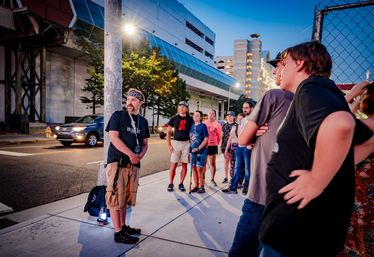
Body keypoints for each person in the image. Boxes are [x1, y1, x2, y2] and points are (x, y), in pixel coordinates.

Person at [258, 42, 373, 257]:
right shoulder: (324, 92)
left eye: (283, 63)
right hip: (307, 232)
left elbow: (341, 124)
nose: (277, 70)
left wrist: (316, 181)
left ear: (300, 63)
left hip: (295, 236)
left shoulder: (309, 89)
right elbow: (362, 138)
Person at [229, 52, 294, 257]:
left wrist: (251, 134)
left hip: (261, 195)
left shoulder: (273, 96)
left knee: (242, 251)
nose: (275, 70)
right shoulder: (306, 103)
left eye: (279, 65)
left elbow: (242, 139)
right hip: (287, 198)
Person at [105, 88, 150, 244]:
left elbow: (145, 144)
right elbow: (113, 138)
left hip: (134, 165)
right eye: (128, 99)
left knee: (125, 198)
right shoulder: (118, 116)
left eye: (134, 100)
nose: (129, 102)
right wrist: (131, 155)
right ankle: (118, 233)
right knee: (115, 197)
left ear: (141, 103)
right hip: (118, 163)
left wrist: (139, 156)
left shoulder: (143, 122)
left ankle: (123, 226)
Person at [339, 82, 374, 257]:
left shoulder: (369, 127)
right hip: (365, 194)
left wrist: (350, 96)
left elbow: (337, 123)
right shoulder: (369, 123)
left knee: (356, 243)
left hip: (359, 196)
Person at [222, 101, 253, 195]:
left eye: (247, 107)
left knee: (247, 169)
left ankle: (246, 188)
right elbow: (239, 133)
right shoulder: (243, 120)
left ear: (251, 108)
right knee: (237, 168)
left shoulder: (253, 119)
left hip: (247, 147)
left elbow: (255, 132)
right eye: (243, 107)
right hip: (239, 147)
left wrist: (251, 143)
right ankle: (233, 187)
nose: (244, 109)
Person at [166, 101, 194, 192]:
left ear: (187, 108)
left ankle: (181, 183)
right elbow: (168, 132)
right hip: (176, 143)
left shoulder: (191, 119)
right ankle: (171, 183)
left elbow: (194, 132)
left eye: (184, 106)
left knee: (184, 165)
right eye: (180, 106)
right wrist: (169, 144)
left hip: (186, 143)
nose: (182, 108)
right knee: (173, 164)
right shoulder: (174, 118)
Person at [189, 111, 209, 193]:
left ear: (201, 117)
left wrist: (198, 148)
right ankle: (196, 186)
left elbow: (206, 139)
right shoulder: (192, 126)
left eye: (197, 116)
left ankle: (201, 186)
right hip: (192, 151)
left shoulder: (203, 126)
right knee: (193, 168)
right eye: (194, 115)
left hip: (201, 151)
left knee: (199, 169)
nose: (195, 117)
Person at [204, 109, 222, 186]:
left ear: (214, 115)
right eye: (209, 113)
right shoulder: (204, 123)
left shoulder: (217, 125)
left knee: (212, 163)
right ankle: (202, 179)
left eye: (212, 113)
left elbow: (219, 136)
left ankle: (212, 179)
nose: (211, 115)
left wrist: (216, 143)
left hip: (213, 145)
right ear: (207, 114)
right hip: (204, 145)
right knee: (203, 163)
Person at [221, 111, 237, 183]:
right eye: (227, 116)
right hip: (225, 146)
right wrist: (221, 145)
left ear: (234, 117)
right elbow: (222, 136)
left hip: (233, 146)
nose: (229, 117)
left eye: (231, 116)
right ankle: (225, 177)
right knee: (226, 162)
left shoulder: (236, 125)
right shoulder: (224, 125)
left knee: (233, 163)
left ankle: (232, 177)